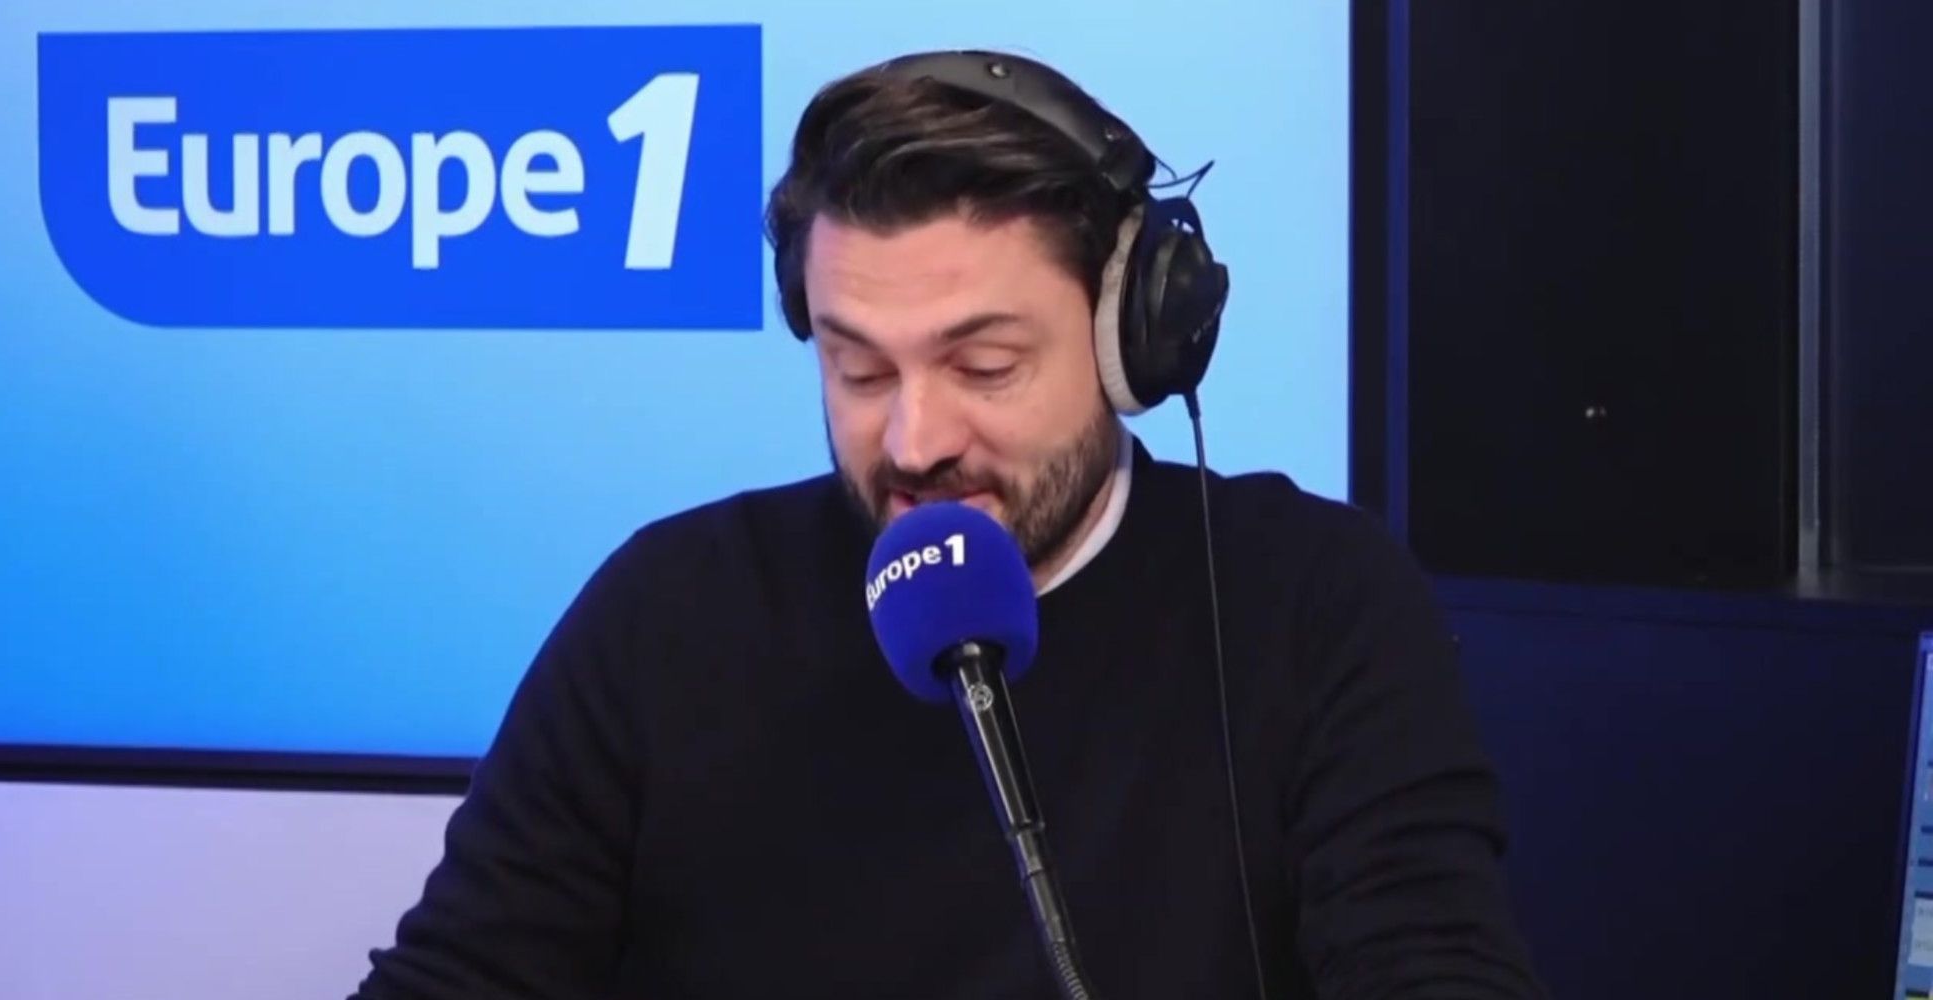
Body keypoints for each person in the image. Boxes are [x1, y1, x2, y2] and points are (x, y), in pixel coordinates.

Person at [351, 49, 1545, 999]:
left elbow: (1431, 968)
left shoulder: (1312, 599)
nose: (913, 439)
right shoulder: (669, 612)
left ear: (1128, 342)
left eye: (983, 365)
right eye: (859, 370)